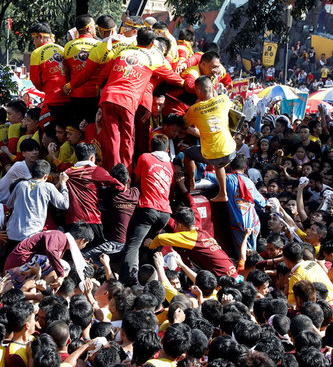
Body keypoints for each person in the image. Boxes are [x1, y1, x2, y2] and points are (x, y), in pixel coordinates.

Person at [98, 27, 183, 171]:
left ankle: (112, 175)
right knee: (127, 140)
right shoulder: (153, 58)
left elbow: (103, 75)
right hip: (128, 101)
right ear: (151, 44)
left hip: (108, 97)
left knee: (112, 139)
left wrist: (98, 87)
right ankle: (125, 177)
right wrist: (183, 82)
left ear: (137, 39)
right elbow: (173, 78)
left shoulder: (122, 52)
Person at [121, 134, 174, 281]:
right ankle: (152, 281)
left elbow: (137, 180)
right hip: (165, 214)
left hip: (148, 209)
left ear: (151, 147)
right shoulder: (170, 165)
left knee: (133, 246)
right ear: (167, 149)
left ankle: (129, 281)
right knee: (151, 246)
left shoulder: (145, 157)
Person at [183, 75, 237, 202]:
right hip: (230, 151)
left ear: (198, 92)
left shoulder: (194, 110)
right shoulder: (224, 99)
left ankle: (192, 182)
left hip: (212, 155)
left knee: (188, 154)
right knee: (219, 164)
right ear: (212, 88)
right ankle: (223, 194)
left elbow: (183, 124)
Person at [206, 153, 266, 258]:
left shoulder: (226, 179)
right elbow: (262, 202)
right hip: (254, 223)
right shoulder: (250, 182)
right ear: (245, 167)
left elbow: (205, 175)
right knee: (253, 255)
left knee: (243, 257)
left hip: (239, 226)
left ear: (230, 166)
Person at [6, 160, 69, 243]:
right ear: (46, 176)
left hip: (12, 234)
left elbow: (9, 205)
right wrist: (63, 183)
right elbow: (64, 204)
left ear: (31, 173)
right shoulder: (48, 186)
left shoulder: (21, 185)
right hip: (31, 235)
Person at [29, 23, 70, 125]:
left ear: (41, 36)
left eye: (34, 39)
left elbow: (35, 81)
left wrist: (46, 88)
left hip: (52, 99)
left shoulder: (36, 52)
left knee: (45, 128)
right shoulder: (63, 49)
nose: (34, 42)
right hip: (69, 97)